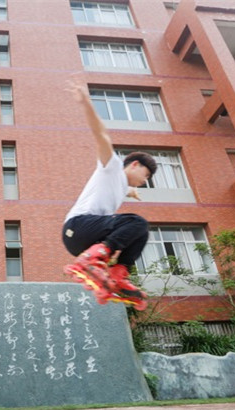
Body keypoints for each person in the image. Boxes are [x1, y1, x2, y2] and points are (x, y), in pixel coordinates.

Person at [61, 79, 158, 309]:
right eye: (145, 175)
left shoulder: (123, 186)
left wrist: (132, 192)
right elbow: (101, 134)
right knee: (136, 221)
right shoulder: (111, 166)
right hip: (77, 227)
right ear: (134, 164)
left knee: (141, 232)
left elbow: (126, 188)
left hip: (86, 240)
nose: (145, 182)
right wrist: (85, 103)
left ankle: (118, 275)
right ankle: (92, 260)